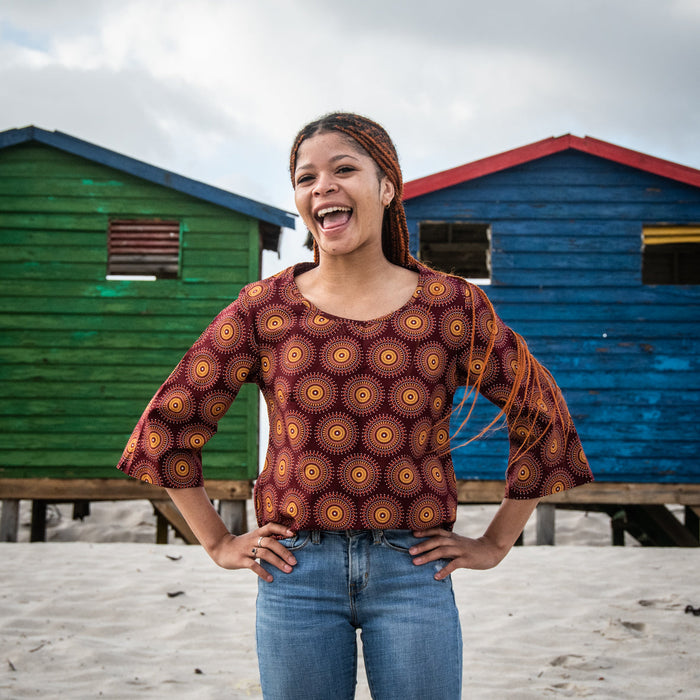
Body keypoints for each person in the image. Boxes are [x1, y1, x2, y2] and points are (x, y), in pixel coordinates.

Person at [117, 112, 593, 699]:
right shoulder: (264, 308)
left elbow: (540, 412)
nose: (323, 187)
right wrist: (217, 541)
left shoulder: (452, 306)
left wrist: (495, 542)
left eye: (344, 169)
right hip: (295, 575)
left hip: (414, 572)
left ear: (387, 186)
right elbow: (169, 424)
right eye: (305, 177)